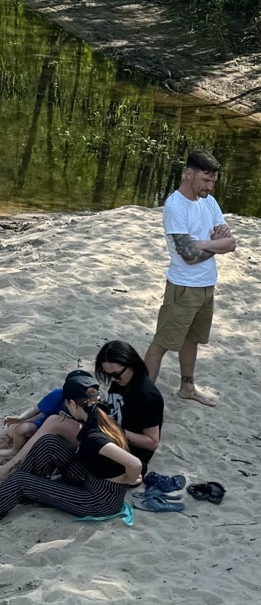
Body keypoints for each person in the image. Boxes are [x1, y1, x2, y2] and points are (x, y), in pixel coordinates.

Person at [147, 149, 235, 405]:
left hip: (207, 285)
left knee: (192, 339)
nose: (209, 186)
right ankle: (140, 399)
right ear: (189, 174)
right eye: (205, 181)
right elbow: (188, 255)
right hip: (183, 287)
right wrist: (214, 245)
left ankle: (187, 387)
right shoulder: (176, 206)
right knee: (161, 344)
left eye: (213, 182)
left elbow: (231, 243)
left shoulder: (209, 201)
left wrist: (204, 244)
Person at [0, 371, 144, 523]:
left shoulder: (93, 437)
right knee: (49, 442)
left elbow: (135, 463)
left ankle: (18, 488)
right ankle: (26, 489)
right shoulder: (101, 416)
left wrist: (129, 478)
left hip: (99, 501)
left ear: (72, 404)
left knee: (20, 480)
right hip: (93, 478)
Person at [94, 342, 165, 478]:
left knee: (61, 426)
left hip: (128, 452)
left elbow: (152, 442)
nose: (113, 379)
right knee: (62, 397)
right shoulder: (121, 382)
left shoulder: (146, 396)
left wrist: (115, 430)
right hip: (111, 436)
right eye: (107, 374)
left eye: (116, 374)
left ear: (131, 364)